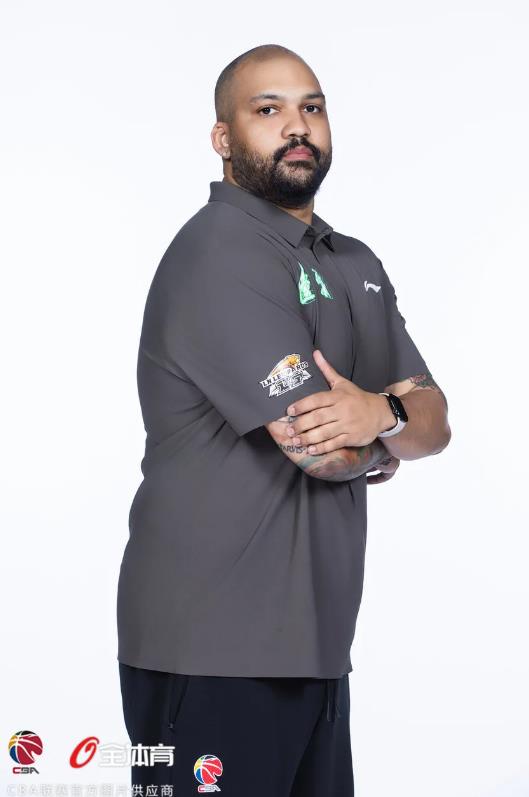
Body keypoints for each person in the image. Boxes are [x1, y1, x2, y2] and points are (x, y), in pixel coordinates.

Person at [116, 43, 451, 796]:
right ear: (223, 137)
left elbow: (434, 422)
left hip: (315, 648)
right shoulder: (219, 253)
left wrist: (379, 413)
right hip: (208, 649)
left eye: (311, 107)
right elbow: (318, 451)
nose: (296, 126)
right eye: (267, 110)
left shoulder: (352, 261)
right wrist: (384, 442)